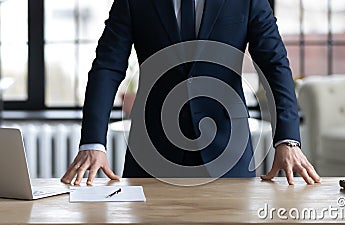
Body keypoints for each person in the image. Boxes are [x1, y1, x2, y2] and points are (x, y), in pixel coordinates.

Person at [61, 0, 321, 185]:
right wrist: (93, 142)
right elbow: (107, 66)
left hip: (227, 148)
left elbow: (274, 65)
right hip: (151, 148)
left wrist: (287, 139)